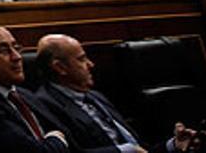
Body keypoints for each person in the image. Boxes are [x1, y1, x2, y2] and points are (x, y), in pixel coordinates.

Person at [36, 34, 196, 152]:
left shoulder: (96, 96)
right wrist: (125, 151)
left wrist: (173, 145)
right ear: (60, 68)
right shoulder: (46, 105)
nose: (90, 64)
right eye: (81, 59)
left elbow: (139, 148)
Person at [0, 22, 70, 153]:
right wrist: (57, 140)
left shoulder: (23, 94)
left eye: (16, 47)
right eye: (4, 50)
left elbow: (66, 134)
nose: (17, 57)